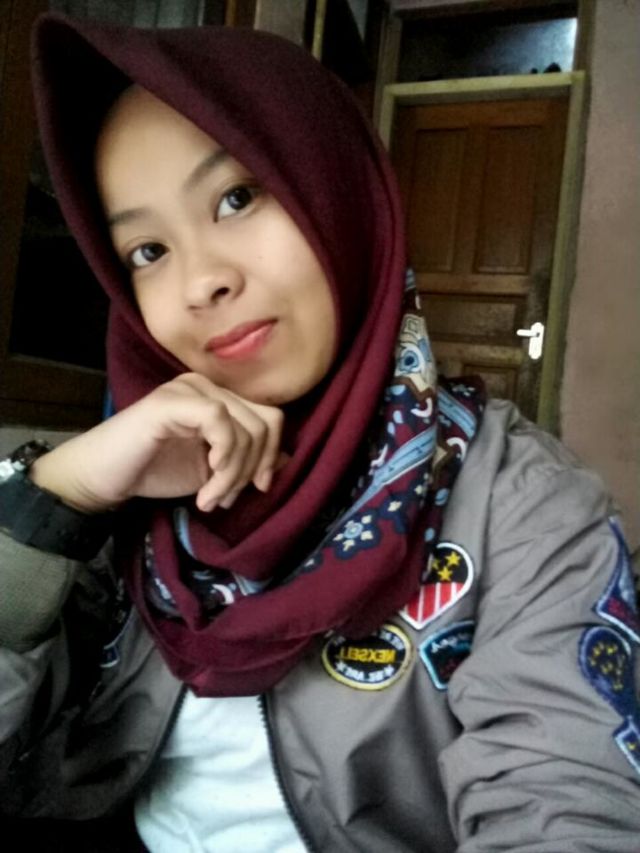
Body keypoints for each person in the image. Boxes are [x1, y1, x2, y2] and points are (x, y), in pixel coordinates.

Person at [1, 11, 639, 852]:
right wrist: (54, 498)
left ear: (338, 193)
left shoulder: (522, 508)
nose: (200, 282)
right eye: (147, 251)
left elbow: (567, 811)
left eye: (237, 198)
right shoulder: (128, 484)